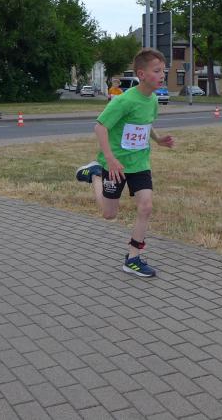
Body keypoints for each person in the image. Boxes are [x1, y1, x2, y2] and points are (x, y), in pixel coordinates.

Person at [74, 48, 175, 278]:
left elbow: (145, 123)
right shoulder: (124, 100)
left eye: (164, 71)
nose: (162, 75)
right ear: (141, 74)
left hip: (139, 163)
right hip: (115, 164)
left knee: (146, 207)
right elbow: (100, 127)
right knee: (109, 214)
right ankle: (95, 174)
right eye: (157, 71)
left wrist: (158, 140)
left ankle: (133, 258)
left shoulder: (153, 100)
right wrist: (110, 159)